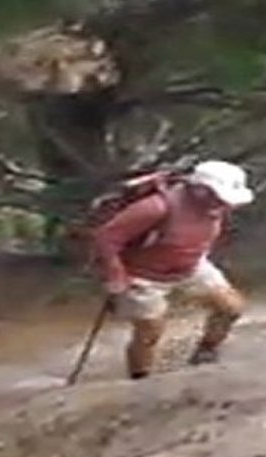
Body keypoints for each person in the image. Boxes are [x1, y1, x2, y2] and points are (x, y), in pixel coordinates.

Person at [91, 159, 254, 380]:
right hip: (143, 275)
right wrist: (116, 275)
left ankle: (205, 353)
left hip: (192, 267)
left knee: (231, 308)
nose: (225, 204)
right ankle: (140, 380)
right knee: (150, 330)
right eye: (218, 197)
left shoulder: (217, 206)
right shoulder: (156, 207)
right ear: (199, 190)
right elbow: (107, 237)